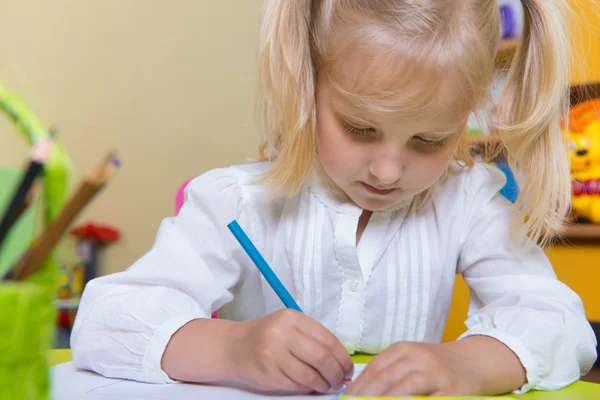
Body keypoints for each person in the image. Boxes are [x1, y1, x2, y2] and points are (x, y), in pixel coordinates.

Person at [71, 0, 598, 397]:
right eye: (359, 127)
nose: (388, 170)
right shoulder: (235, 200)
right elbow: (104, 320)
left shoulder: (469, 202)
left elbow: (562, 324)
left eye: (429, 140)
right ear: (306, 85)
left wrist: (465, 365)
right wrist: (231, 349)